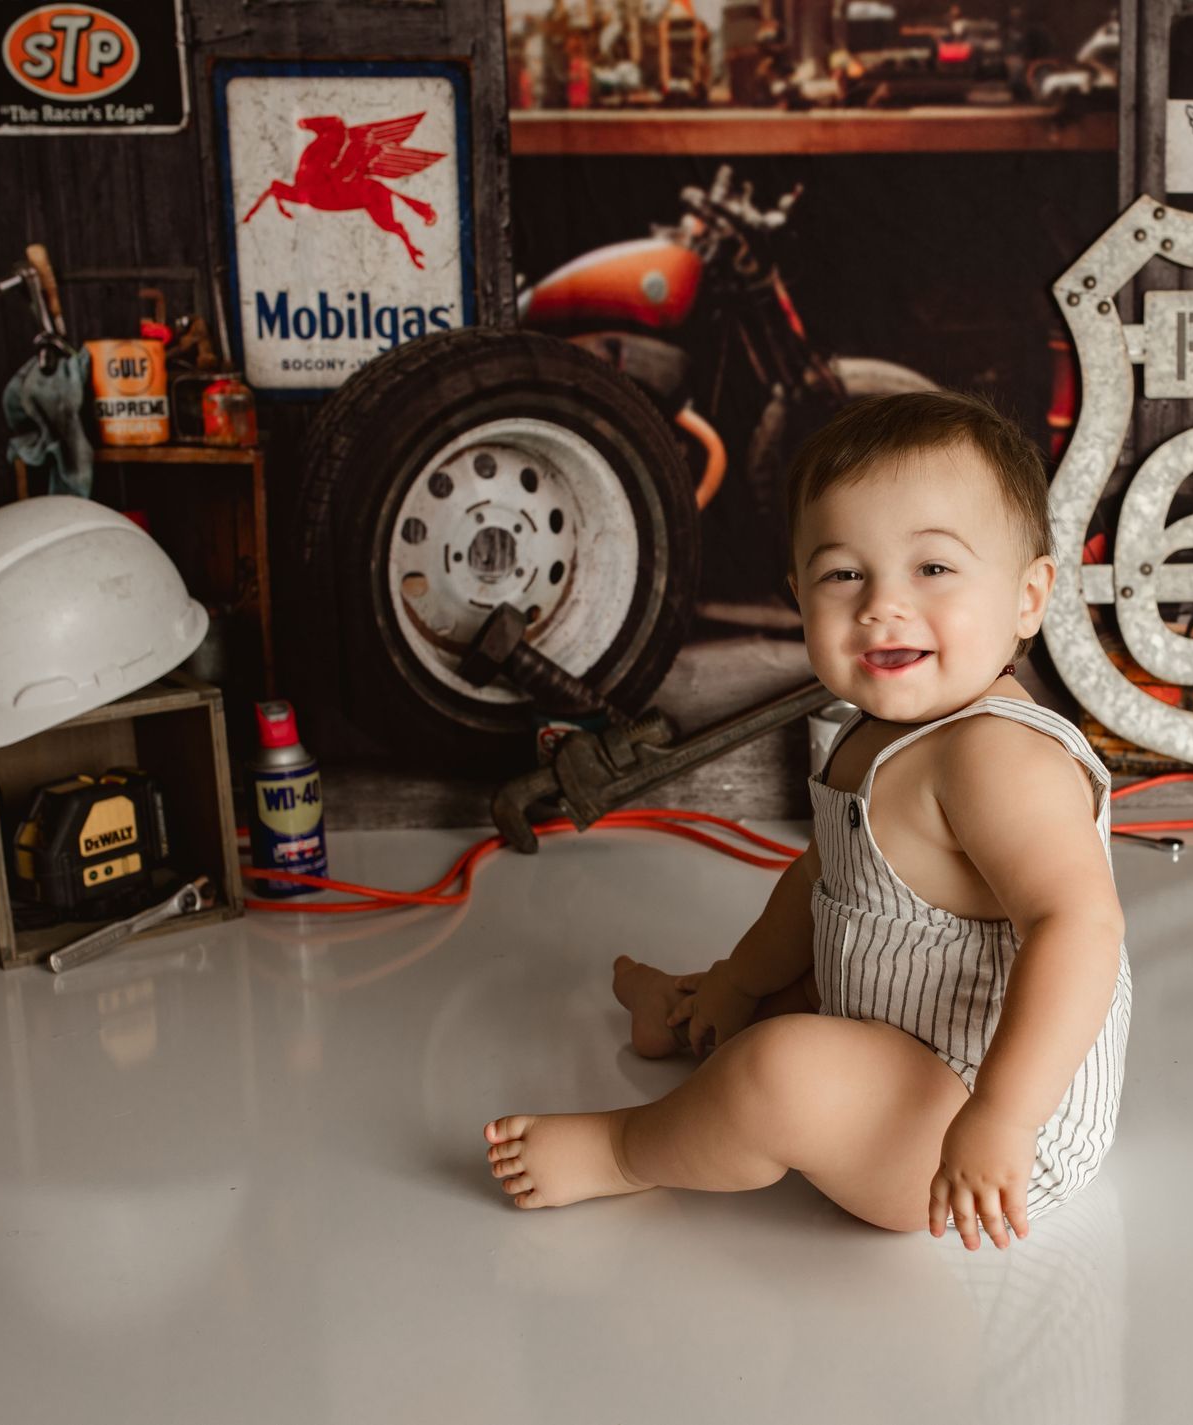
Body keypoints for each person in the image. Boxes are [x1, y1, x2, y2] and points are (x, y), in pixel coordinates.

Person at [484, 389, 1133, 1250]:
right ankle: (690, 1006)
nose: (881, 605)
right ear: (799, 595)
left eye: (933, 569)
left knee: (781, 1069)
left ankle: (626, 1150)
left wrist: (1004, 1120)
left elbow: (1079, 927)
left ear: (1028, 596)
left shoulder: (994, 757)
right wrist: (745, 977)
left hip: (981, 1123)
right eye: (843, 574)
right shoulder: (876, 729)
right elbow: (826, 876)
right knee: (769, 998)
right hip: (890, 1028)